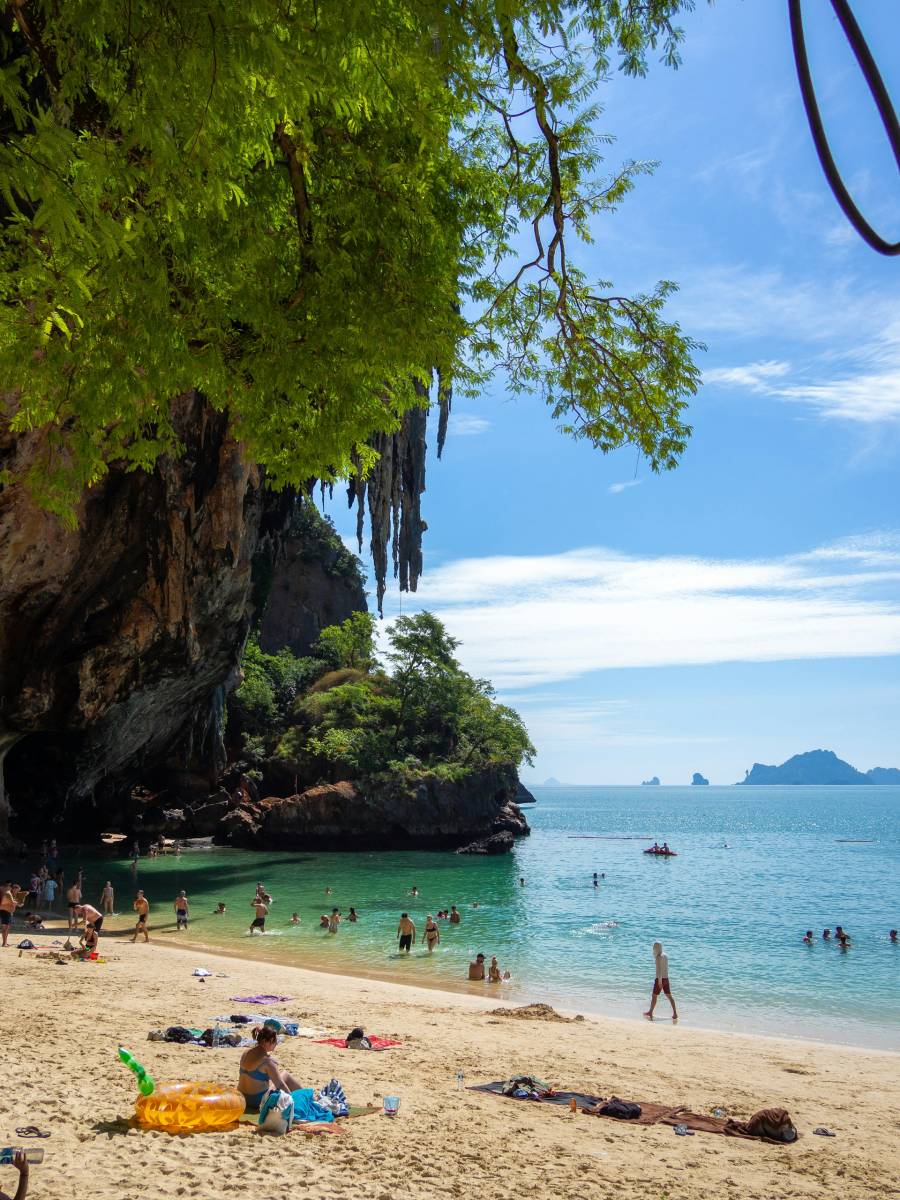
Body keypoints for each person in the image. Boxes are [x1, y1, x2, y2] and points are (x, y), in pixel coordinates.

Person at [237, 1026, 302, 1113]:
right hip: (257, 1101)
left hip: (242, 1098)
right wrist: (291, 1102)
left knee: (267, 1077)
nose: (276, 1044)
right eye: (275, 1041)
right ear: (267, 1041)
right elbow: (280, 1085)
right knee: (285, 1075)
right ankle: (307, 1099)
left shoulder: (245, 1053)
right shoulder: (268, 1061)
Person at [644, 941, 678, 1021]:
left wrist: (659, 981)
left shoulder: (658, 957)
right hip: (666, 978)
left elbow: (659, 971)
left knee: (654, 996)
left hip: (660, 979)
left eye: (654, 947)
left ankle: (650, 1012)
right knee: (669, 996)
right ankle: (675, 1013)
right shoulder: (665, 955)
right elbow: (665, 968)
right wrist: (664, 980)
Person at [1, 882, 23, 947]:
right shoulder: (8, 893)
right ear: (14, 889)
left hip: (8, 912)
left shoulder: (12, 894)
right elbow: (12, 902)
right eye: (18, 890)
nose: (18, 892)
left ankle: (5, 942)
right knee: (5, 928)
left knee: (7, 928)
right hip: (4, 912)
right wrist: (19, 904)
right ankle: (4, 943)